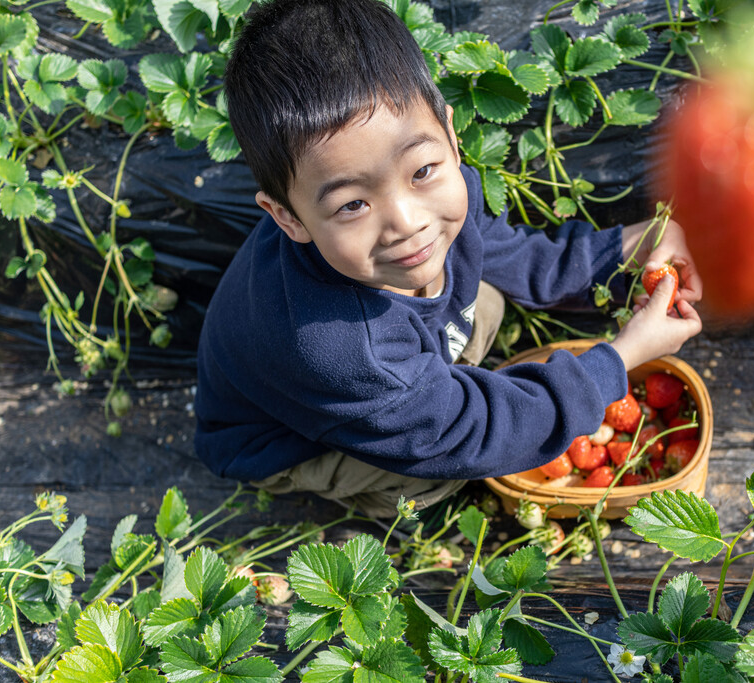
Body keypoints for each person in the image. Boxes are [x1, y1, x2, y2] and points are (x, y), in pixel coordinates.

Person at [193, 0, 703, 517]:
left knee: (487, 297)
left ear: (450, 137)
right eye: (352, 204)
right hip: (289, 442)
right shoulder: (337, 348)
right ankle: (384, 490)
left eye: (421, 171)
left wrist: (620, 253)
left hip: (384, 379)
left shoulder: (442, 200)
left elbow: (512, 254)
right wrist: (617, 361)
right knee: (435, 478)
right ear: (288, 218)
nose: (407, 222)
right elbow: (467, 433)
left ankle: (433, 394)